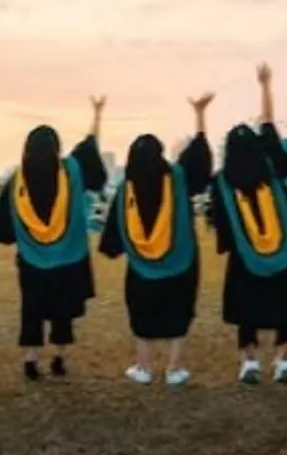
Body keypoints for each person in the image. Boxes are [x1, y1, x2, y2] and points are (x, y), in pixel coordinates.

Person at [208, 64, 287, 385]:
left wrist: (231, 244)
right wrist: (265, 86)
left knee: (246, 309)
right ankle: (284, 360)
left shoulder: (223, 182)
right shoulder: (274, 171)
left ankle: (249, 361)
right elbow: (270, 128)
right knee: (286, 304)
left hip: (245, 257)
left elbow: (220, 223)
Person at [98, 93, 215, 386]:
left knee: (142, 315)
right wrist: (200, 115)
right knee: (178, 312)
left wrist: (114, 247)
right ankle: (175, 369)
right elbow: (199, 157)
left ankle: (143, 367)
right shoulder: (177, 177)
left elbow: (112, 238)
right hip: (182, 262)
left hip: (141, 268)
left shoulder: (126, 191)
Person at [0, 96, 109, 381]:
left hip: (31, 260)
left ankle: (31, 360)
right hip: (68, 258)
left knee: (31, 308)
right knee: (62, 309)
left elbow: (3, 229)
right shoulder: (71, 172)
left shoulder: (17, 182)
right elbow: (90, 150)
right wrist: (96, 114)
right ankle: (58, 358)